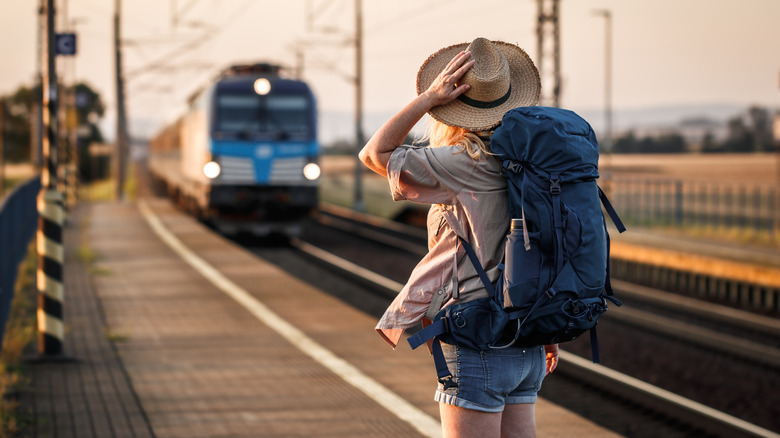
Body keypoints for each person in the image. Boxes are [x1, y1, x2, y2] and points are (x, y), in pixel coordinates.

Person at [359, 38, 559, 438]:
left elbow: (374, 154)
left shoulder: (464, 163)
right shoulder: (535, 163)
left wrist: (427, 99)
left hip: (478, 340)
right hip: (531, 341)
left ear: (453, 109)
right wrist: (549, 334)